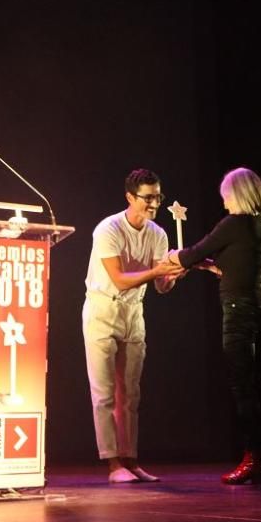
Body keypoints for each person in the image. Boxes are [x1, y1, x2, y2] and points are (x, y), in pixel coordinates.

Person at [169, 167, 261, 485]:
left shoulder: (233, 224)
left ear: (236, 195)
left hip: (239, 312)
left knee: (243, 387)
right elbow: (236, 264)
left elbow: (193, 254)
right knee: (254, 385)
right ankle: (258, 458)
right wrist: (212, 267)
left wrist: (178, 257)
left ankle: (252, 460)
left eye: (226, 196)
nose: (224, 202)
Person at [83, 168, 185, 483]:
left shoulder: (158, 233)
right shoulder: (108, 229)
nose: (154, 203)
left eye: (158, 196)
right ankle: (113, 464)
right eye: (148, 197)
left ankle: (131, 459)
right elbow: (119, 278)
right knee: (105, 392)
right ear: (130, 197)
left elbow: (161, 287)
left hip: (133, 313)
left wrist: (174, 274)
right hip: (103, 310)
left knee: (131, 394)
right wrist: (158, 272)